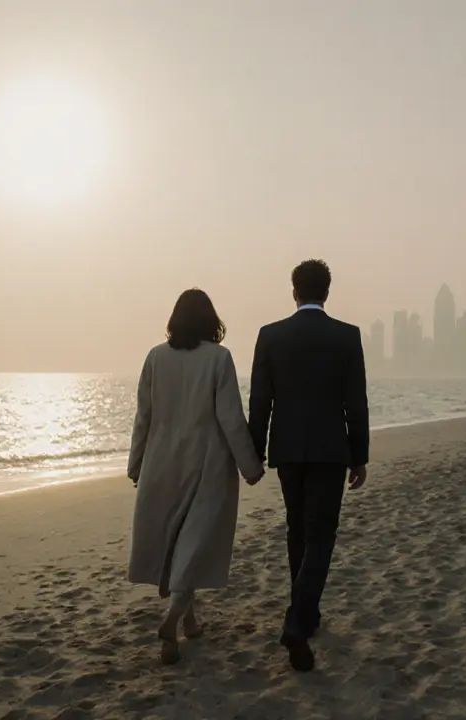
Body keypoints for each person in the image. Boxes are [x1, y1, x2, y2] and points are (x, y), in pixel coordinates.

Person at [126, 288, 265, 665]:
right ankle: (172, 620)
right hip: (207, 466)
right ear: (211, 321)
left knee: (176, 543)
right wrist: (250, 466)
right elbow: (231, 419)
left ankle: (189, 621)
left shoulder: (155, 357)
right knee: (195, 543)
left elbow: (144, 417)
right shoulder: (219, 359)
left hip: (162, 464)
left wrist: (136, 464)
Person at [248, 259, 369, 672]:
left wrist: (254, 451)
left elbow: (260, 400)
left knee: (297, 529)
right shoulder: (347, 337)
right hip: (331, 449)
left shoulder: (270, 336)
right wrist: (360, 455)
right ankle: (299, 620)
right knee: (322, 535)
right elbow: (356, 401)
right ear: (327, 292)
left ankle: (305, 613)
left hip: (287, 448)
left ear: (294, 291)